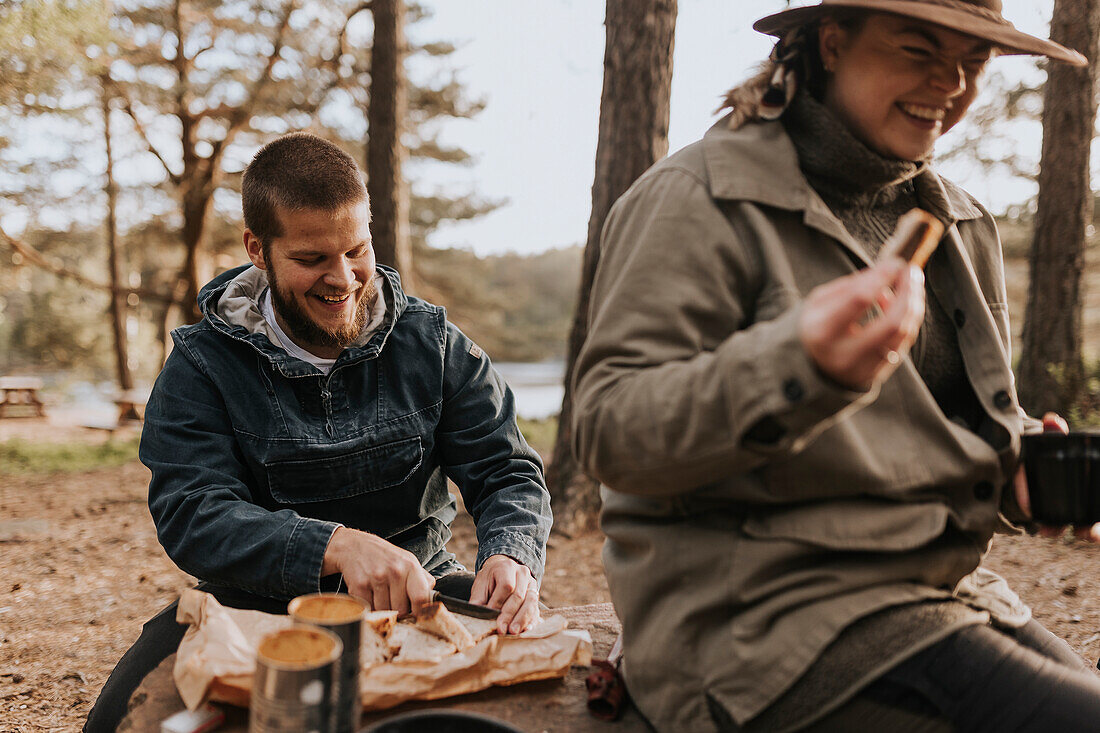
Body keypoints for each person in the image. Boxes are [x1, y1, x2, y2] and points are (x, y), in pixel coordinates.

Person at [573, 1, 1100, 731]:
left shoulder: (961, 223)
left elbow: (931, 434)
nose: (951, 83)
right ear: (829, 43)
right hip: (756, 632)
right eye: (919, 50)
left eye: (974, 62)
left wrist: (1014, 466)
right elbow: (609, 430)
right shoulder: (695, 198)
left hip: (938, 598)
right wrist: (800, 366)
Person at [85, 132, 552, 730]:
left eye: (356, 250)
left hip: (423, 593)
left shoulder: (433, 343)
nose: (344, 279)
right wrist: (336, 544)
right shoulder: (202, 364)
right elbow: (192, 512)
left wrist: (512, 555)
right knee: (116, 719)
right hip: (248, 603)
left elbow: (507, 470)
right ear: (258, 248)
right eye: (312, 260)